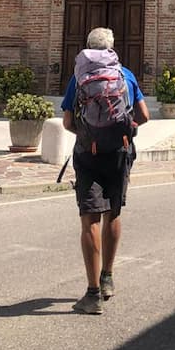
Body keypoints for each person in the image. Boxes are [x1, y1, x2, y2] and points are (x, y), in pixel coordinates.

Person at [61, 26, 149, 315]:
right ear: (111, 49)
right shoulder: (126, 76)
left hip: (88, 155)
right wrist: (125, 131)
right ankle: (108, 277)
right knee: (114, 212)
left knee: (89, 220)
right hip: (119, 154)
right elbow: (143, 116)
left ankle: (92, 293)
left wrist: (86, 135)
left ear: (86, 48)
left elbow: (67, 122)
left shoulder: (79, 77)